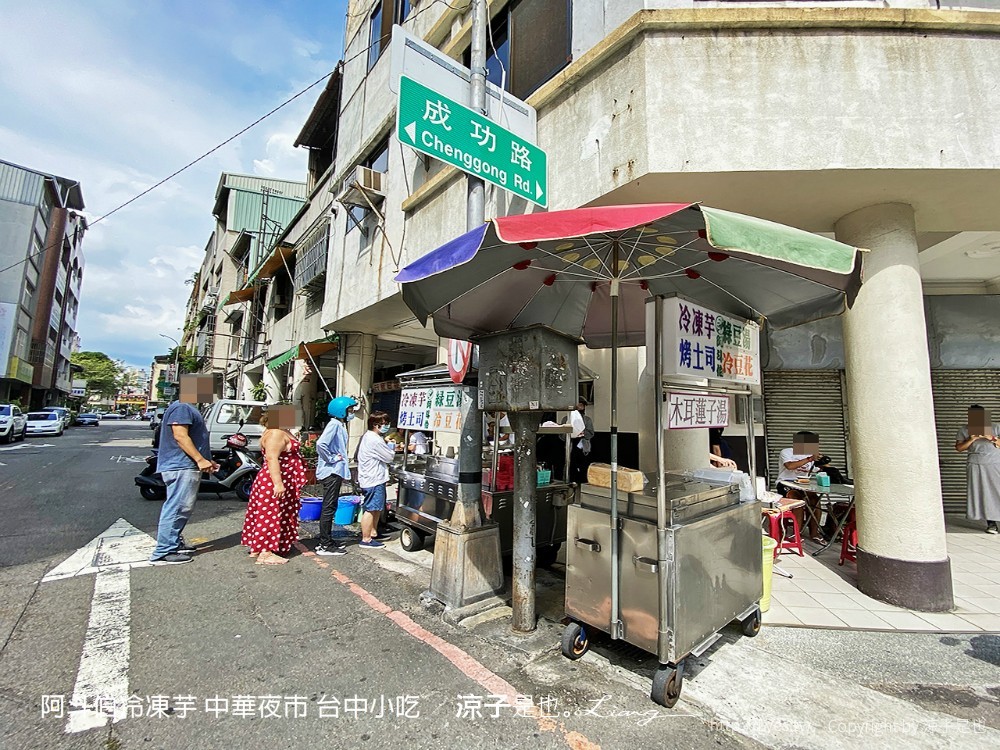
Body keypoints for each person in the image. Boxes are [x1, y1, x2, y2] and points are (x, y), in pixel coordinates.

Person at [149, 375, 219, 565]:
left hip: (185, 465)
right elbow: (180, 436)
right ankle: (164, 551)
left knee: (182, 507)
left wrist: (206, 461)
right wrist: (199, 459)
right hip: (181, 465)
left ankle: (173, 543)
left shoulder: (187, 408)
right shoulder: (182, 407)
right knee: (178, 506)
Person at [241, 405, 308, 565]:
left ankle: (259, 547)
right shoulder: (276, 433)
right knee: (271, 514)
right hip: (274, 480)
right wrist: (278, 484)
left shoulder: (280, 431)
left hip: (282, 479)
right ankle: (265, 552)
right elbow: (272, 458)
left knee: (273, 513)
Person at [314, 396, 358, 556]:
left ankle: (327, 541)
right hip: (331, 472)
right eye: (350, 410)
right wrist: (332, 459)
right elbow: (321, 444)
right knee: (329, 507)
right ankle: (325, 544)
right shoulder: (334, 425)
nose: (352, 412)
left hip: (335, 472)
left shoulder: (339, 424)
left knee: (330, 506)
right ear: (341, 410)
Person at [955, 404, 1000, 535]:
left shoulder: (996, 427)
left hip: (995, 464)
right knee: (983, 493)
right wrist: (971, 439)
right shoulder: (964, 429)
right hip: (975, 465)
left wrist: (991, 437)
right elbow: (959, 448)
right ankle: (991, 523)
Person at [356, 410, 396, 549]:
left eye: (387, 423)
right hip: (373, 479)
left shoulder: (372, 437)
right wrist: (391, 447)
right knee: (371, 509)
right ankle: (366, 539)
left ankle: (373, 532)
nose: (386, 426)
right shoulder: (374, 439)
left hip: (374, 478)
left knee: (377, 508)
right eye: (383, 424)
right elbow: (389, 457)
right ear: (375, 425)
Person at [776, 431, 825, 543]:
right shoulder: (787, 452)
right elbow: (790, 466)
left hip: (803, 484)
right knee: (797, 501)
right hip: (785, 483)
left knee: (815, 500)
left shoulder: (812, 456)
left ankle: (815, 533)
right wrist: (809, 459)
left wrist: (823, 462)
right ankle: (796, 533)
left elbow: (819, 470)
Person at [567, 399, 595, 485]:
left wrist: (582, 433)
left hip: (583, 445)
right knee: (570, 463)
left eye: (582, 406)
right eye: (578, 405)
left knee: (583, 465)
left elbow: (591, 433)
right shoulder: (567, 418)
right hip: (570, 444)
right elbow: (562, 435)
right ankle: (570, 479)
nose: (580, 407)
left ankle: (583, 481)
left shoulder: (587, 420)